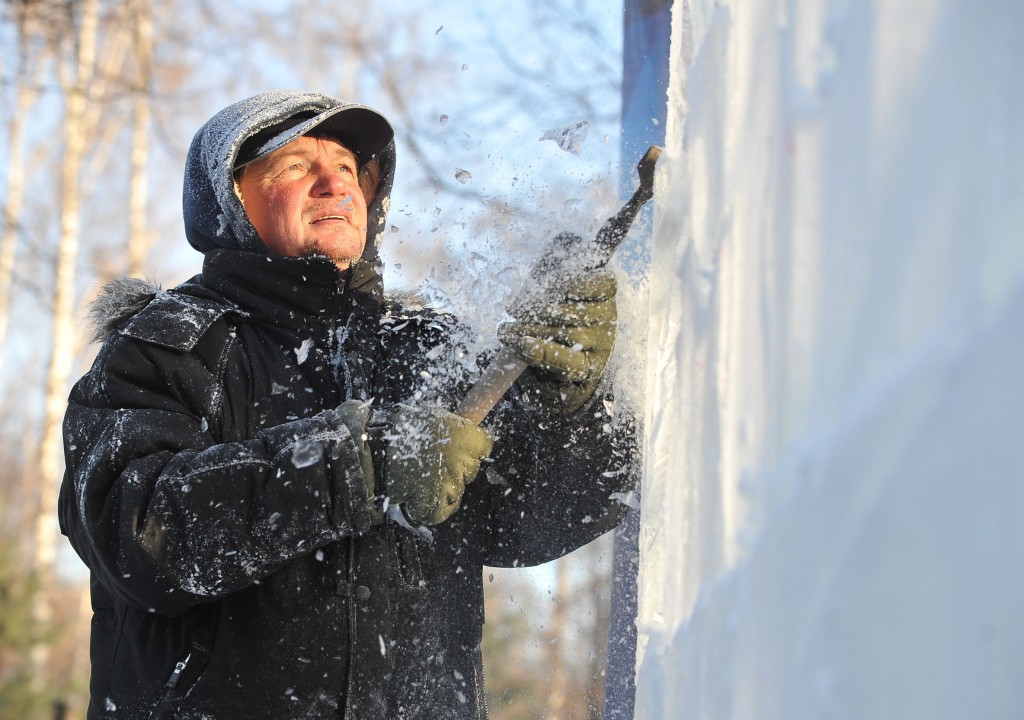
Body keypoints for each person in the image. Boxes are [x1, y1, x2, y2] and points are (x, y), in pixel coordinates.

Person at [59, 89, 633, 719]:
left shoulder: (425, 349)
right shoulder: (168, 349)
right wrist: (357, 461)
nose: (335, 183)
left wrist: (568, 406)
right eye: (296, 166)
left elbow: (529, 520)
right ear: (230, 205)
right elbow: (138, 535)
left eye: (348, 168)